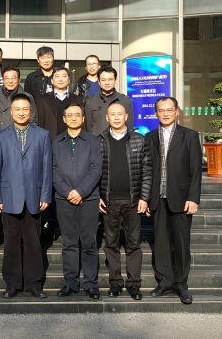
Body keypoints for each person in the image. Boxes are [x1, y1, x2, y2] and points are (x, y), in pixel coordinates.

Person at [141, 96, 202, 305]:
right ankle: (165, 282)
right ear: (156, 113)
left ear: (176, 112)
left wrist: (193, 198)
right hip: (158, 198)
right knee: (161, 243)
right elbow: (146, 170)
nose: (165, 114)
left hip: (181, 198)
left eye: (169, 110)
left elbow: (196, 170)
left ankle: (181, 284)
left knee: (181, 243)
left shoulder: (190, 136)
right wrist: (146, 198)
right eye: (161, 110)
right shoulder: (149, 137)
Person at [0, 93, 52, 299]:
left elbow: (47, 168)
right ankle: (12, 283)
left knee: (34, 242)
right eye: (17, 109)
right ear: (11, 112)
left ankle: (34, 284)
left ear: (31, 111)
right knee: (11, 242)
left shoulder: (42, 135)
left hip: (34, 196)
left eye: (25, 109)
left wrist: (45, 194)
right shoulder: (1, 136)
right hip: (9, 196)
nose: (21, 113)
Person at [98, 102, 151, 300]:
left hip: (133, 201)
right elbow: (94, 171)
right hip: (109, 201)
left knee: (133, 244)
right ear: (107, 118)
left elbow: (147, 171)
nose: (116, 117)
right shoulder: (99, 140)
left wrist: (144, 197)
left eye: (120, 114)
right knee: (111, 244)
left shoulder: (139, 139)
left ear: (126, 116)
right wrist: (97, 196)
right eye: (113, 114)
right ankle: (115, 283)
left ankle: (134, 284)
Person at [51, 103, 102, 300]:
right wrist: (67, 192)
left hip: (88, 198)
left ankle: (91, 284)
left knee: (89, 243)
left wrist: (80, 191)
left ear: (83, 118)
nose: (73, 118)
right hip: (63, 199)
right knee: (69, 242)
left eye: (77, 115)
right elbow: (53, 170)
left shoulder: (93, 141)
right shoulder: (56, 142)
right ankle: (70, 282)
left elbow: (96, 169)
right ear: (64, 119)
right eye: (70, 115)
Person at [0, 67, 37, 137]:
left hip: (20, 138)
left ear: (19, 80)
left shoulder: (27, 97)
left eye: (13, 78)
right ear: (3, 80)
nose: (10, 81)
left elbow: (33, 120)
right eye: (7, 78)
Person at [35, 67, 83, 140]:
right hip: (50, 140)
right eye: (57, 76)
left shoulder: (77, 99)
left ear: (69, 80)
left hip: (73, 140)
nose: (60, 79)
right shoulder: (43, 99)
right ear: (52, 81)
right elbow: (40, 123)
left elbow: (82, 123)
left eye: (64, 76)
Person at [85, 66, 133, 135]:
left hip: (119, 140)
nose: (107, 83)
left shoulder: (125, 100)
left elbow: (129, 126)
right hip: (97, 140)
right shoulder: (90, 101)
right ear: (99, 81)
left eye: (110, 79)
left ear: (115, 80)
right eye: (103, 80)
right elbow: (88, 127)